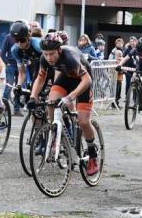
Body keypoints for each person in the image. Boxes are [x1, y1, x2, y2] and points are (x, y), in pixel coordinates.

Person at [25, 33, 100, 176]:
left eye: (52, 54)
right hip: (66, 78)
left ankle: (92, 154)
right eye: (46, 54)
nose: (49, 58)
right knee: (51, 103)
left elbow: (87, 80)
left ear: (59, 50)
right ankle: (56, 134)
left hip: (83, 81)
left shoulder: (69, 57)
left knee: (83, 122)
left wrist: (70, 97)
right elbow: (41, 78)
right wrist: (33, 97)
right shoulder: (45, 59)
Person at [109, 37, 125, 108]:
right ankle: (114, 103)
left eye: (121, 43)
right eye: (118, 43)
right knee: (115, 89)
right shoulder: (113, 51)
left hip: (120, 75)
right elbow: (110, 60)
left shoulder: (123, 50)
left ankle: (117, 103)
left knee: (119, 90)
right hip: (115, 74)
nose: (120, 44)